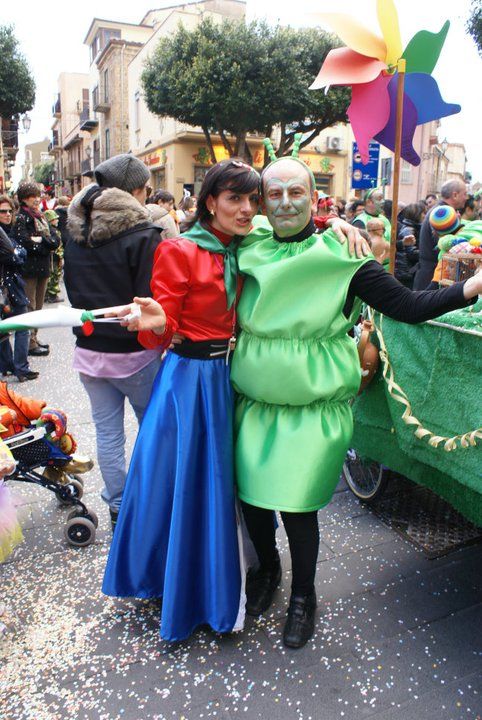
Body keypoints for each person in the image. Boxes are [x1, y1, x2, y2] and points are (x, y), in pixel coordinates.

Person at [228, 146, 481, 649]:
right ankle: (268, 571)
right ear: (261, 201)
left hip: (313, 412)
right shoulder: (246, 243)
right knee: (252, 502)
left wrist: (469, 288)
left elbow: (407, 306)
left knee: (297, 507)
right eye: (273, 193)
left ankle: (304, 596)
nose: (284, 202)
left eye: (296, 192)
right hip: (253, 406)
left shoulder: (344, 256)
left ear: (313, 197)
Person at [63, 153, 162, 529]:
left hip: (89, 350)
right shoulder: (143, 235)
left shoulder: (75, 230)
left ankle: (118, 504)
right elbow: (148, 300)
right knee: (151, 428)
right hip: (135, 353)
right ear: (135, 191)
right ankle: (150, 500)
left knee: (107, 433)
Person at [12, 183, 60, 357]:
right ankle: (29, 343)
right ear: (24, 199)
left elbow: (55, 239)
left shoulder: (41, 216)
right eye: (33, 196)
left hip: (43, 267)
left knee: (39, 306)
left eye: (38, 195)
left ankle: (34, 337)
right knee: (30, 306)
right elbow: (24, 242)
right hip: (29, 269)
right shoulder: (21, 218)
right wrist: (44, 244)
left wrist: (40, 240)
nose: (37, 199)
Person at [0, 196, 37, 382]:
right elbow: (13, 257)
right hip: (4, 286)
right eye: (2, 211)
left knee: (22, 325)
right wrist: (15, 253)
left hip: (14, 284)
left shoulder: (12, 231)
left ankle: (19, 367)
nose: (7, 214)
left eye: (9, 211)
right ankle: (11, 366)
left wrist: (16, 253)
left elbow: (22, 254)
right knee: (10, 328)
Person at [414, 179, 467, 289]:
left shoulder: (441, 211)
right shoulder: (441, 214)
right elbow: (444, 245)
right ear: (455, 195)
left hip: (430, 274)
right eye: (464, 194)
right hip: (432, 277)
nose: (466, 198)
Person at [395, 202, 425, 288]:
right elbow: (411, 253)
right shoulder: (408, 230)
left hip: (407, 271)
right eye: (423, 213)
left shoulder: (413, 228)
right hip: (406, 272)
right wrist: (426, 253)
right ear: (416, 214)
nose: (425, 216)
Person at [43, 209, 64, 303]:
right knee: (55, 276)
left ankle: (46, 295)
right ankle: (53, 295)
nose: (57, 220)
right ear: (50, 220)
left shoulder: (46, 231)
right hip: (55, 258)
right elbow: (58, 246)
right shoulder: (55, 232)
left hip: (50, 257)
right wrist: (61, 257)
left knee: (50, 276)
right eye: (55, 219)